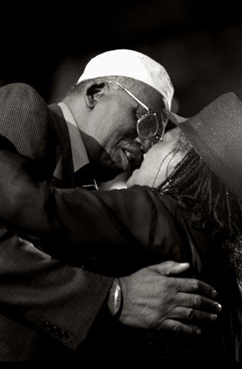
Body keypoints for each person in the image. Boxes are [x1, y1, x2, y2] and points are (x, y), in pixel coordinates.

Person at [0, 92, 242, 362]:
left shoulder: (160, 213)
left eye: (162, 142)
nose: (146, 148)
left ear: (180, 160)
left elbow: (35, 205)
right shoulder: (230, 278)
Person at [0, 49, 219, 362]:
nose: (147, 144)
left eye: (158, 137)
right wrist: (113, 296)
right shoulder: (27, 107)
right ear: (96, 93)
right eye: (147, 122)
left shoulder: (92, 187)